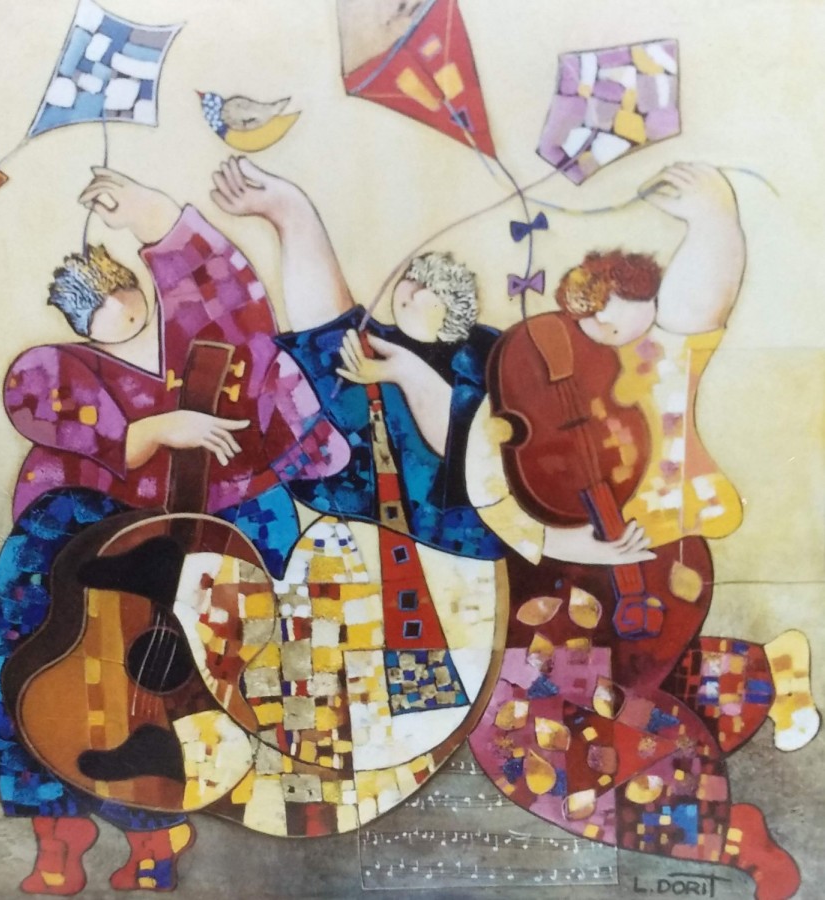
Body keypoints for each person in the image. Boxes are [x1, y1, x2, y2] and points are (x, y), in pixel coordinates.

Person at [0, 168, 350, 894]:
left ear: (139, 287)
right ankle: (57, 832)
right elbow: (29, 391)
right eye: (94, 316)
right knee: (50, 666)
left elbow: (237, 308)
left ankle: (156, 831)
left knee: (185, 685)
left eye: (120, 302)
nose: (116, 320)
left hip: (223, 518)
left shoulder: (220, 340)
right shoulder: (63, 368)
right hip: (100, 529)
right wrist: (152, 429)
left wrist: (156, 218)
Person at [464, 163, 814, 900]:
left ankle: (726, 834)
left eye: (640, 311)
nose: (627, 327)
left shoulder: (648, 359)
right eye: (607, 315)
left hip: (655, 566)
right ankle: (767, 673)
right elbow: (488, 487)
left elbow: (697, 308)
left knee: (544, 734)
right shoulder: (529, 364)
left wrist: (716, 219)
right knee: (626, 689)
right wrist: (566, 544)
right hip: (574, 572)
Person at [208, 156, 652, 568]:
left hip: (434, 487)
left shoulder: (575, 394)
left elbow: (476, 463)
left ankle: (293, 216)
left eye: (613, 330)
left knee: (344, 358)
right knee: (345, 347)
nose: (601, 333)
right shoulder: (522, 350)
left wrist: (405, 371)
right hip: (405, 431)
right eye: (599, 316)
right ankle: (293, 215)